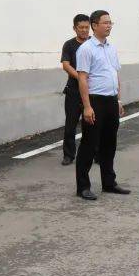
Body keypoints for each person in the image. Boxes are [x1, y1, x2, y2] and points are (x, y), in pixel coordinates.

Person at [74, 10, 129, 200]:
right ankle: (83, 186)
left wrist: (119, 100)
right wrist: (87, 106)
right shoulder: (86, 49)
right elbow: (82, 79)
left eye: (110, 22)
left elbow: (116, 75)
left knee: (109, 144)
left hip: (111, 101)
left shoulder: (111, 48)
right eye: (105, 23)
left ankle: (109, 183)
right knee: (89, 145)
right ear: (94, 25)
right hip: (95, 100)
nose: (109, 25)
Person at [60, 13, 91, 165]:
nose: (85, 30)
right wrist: (80, 78)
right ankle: (68, 155)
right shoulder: (69, 45)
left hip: (92, 91)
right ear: (75, 28)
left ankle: (93, 153)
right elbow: (66, 65)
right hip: (73, 91)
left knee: (91, 124)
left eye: (87, 27)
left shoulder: (94, 43)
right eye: (81, 27)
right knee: (70, 124)